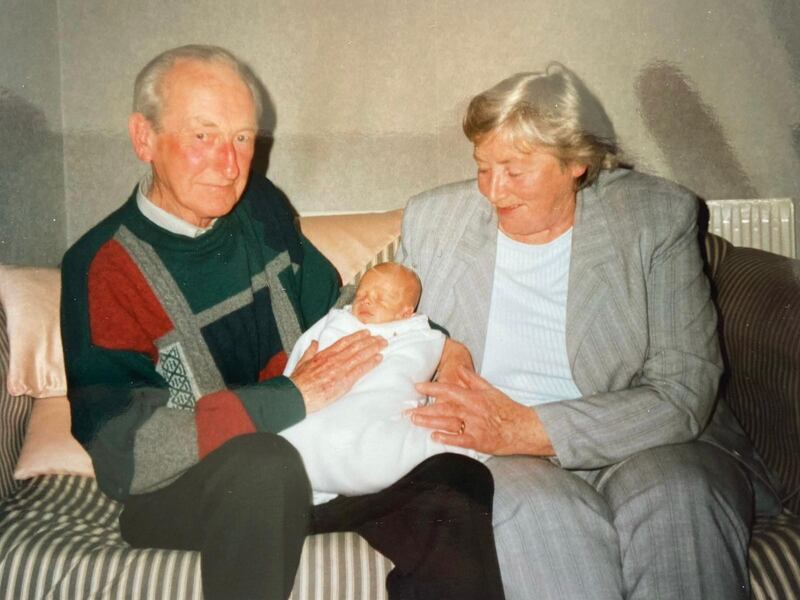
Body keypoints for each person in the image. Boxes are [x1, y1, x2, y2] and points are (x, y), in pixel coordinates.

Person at [60, 44, 504, 600]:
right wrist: (289, 397)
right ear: (143, 138)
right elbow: (125, 453)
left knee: (455, 478)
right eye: (204, 136)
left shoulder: (260, 208)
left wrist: (437, 343)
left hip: (308, 464)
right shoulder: (103, 267)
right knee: (263, 464)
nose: (230, 165)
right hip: (186, 490)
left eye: (243, 138)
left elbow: (344, 306)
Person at [398, 63, 782, 600]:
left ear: (577, 161)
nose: (492, 191)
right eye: (483, 167)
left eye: (514, 169)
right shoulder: (433, 220)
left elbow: (683, 390)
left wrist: (531, 428)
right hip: (500, 457)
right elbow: (374, 326)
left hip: (649, 442)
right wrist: (437, 345)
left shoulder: (654, 216)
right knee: (543, 517)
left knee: (680, 500)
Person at [281, 262, 482, 504]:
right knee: (290, 438)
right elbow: (301, 357)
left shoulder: (421, 337)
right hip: (320, 414)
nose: (366, 301)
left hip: (376, 425)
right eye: (362, 294)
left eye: (382, 298)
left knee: (404, 448)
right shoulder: (336, 321)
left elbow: (418, 368)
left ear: (406, 313)